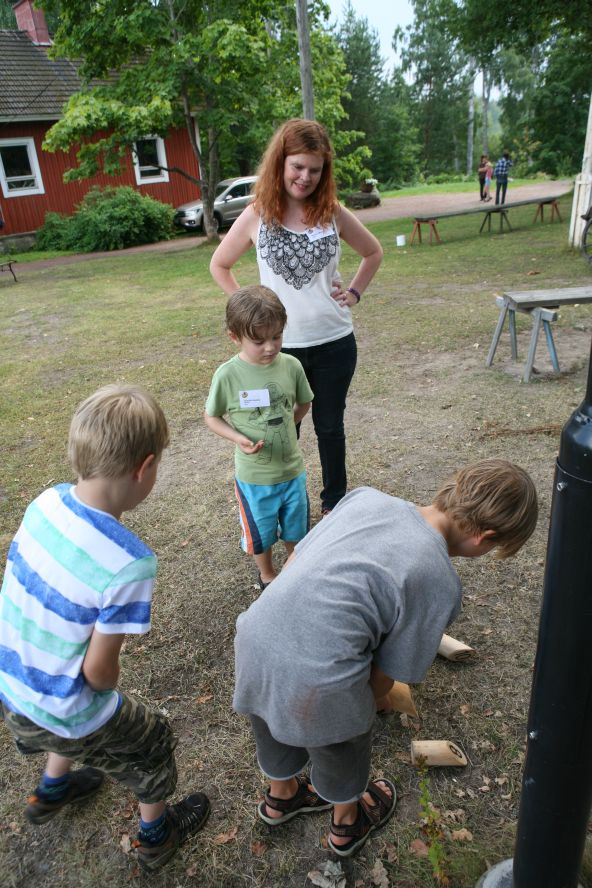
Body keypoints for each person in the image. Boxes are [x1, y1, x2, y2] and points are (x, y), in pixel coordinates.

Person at [233, 459, 538, 857]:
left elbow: (294, 562)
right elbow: (385, 676)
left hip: (255, 640)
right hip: (319, 681)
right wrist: (371, 702)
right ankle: (346, 824)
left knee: (271, 718)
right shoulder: (439, 579)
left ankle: (282, 797)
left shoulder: (365, 498)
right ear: (486, 537)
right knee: (342, 740)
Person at [0, 385, 210, 871]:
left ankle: (53, 787)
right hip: (61, 708)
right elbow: (98, 676)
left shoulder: (44, 502)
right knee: (152, 741)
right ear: (144, 468)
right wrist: (110, 684)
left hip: (14, 692)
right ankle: (156, 836)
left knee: (73, 721)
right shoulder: (128, 562)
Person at [210, 118, 383, 516]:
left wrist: (354, 293)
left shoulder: (332, 212)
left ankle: (334, 505)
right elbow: (219, 264)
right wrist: (251, 310)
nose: (305, 177)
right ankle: (284, 505)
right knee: (283, 428)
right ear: (281, 163)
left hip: (334, 342)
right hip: (279, 349)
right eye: (298, 166)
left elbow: (373, 252)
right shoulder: (257, 215)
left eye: (315, 170)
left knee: (330, 427)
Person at [204, 285, 313, 588]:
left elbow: (304, 402)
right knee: (261, 533)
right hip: (254, 478)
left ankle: (297, 571)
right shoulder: (228, 375)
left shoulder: (291, 366)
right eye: (259, 341)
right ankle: (267, 575)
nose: (270, 347)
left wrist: (288, 423)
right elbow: (211, 417)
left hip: (291, 471)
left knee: (296, 528)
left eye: (277, 336)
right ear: (234, 337)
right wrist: (237, 437)